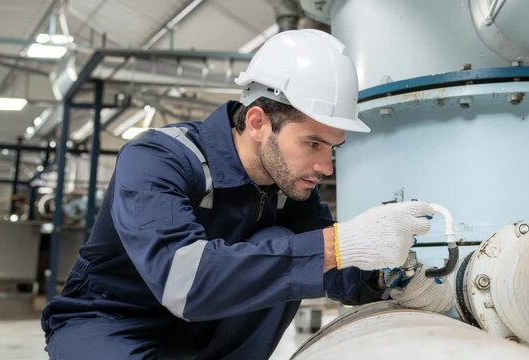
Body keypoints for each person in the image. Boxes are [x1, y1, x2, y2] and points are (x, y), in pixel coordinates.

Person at [41, 29, 435, 359]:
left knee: (285, 242)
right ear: (258, 122)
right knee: (303, 248)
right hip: (111, 321)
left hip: (206, 328)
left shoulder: (288, 188)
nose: (326, 167)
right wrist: (339, 243)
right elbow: (186, 283)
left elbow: (331, 265)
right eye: (313, 143)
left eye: (333, 148)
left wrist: (387, 277)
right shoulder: (159, 158)